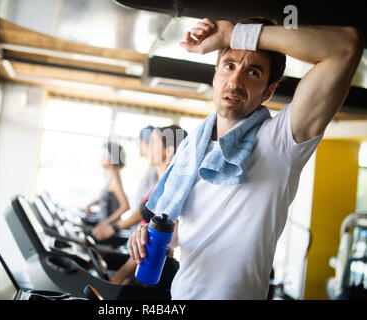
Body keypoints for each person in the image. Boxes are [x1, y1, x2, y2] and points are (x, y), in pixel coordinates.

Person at [128, 16, 363, 299]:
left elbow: (346, 46)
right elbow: (182, 234)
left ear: (268, 90)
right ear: (215, 75)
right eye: (229, 66)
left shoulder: (279, 142)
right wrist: (146, 238)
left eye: (253, 72)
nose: (235, 81)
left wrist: (232, 34)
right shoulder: (192, 150)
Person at [103, 125, 188, 286]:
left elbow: (155, 239)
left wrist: (119, 277)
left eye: (153, 143)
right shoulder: (158, 184)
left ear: (169, 151)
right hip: (140, 262)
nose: (148, 148)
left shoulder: (171, 189)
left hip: (151, 268)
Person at [83, 142, 129, 225]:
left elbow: (125, 206)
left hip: (107, 228)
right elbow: (107, 198)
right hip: (102, 221)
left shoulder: (115, 179)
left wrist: (105, 223)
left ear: (111, 159)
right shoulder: (109, 176)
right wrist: (90, 204)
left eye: (103, 156)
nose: (101, 159)